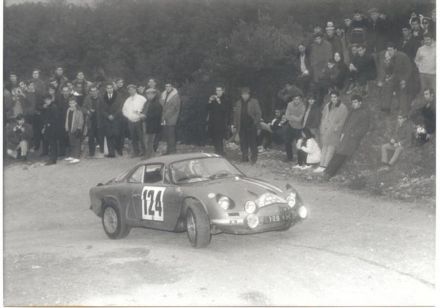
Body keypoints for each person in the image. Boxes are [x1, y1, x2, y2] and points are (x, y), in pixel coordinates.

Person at [323, 95, 370, 179]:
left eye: (355, 102)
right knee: (337, 154)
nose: (354, 104)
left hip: (352, 140)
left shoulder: (364, 113)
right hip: (345, 137)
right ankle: (327, 172)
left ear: (360, 103)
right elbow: (346, 124)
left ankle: (329, 174)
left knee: (341, 156)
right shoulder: (352, 112)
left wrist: (353, 135)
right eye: (353, 102)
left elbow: (363, 128)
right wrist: (342, 133)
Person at [314, 91, 348, 173]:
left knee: (330, 149)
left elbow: (342, 121)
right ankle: (321, 165)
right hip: (325, 130)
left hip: (334, 132)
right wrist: (322, 127)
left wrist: (336, 128)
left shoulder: (342, 107)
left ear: (338, 97)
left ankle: (325, 166)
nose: (333, 99)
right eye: (332, 97)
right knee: (324, 148)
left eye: (335, 97)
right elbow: (323, 117)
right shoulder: (327, 105)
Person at [377, 42, 413, 115]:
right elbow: (388, 70)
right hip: (394, 77)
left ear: (395, 50)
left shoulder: (403, 56)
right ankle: (387, 108)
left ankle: (404, 110)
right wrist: (387, 63)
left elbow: (409, 69)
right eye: (388, 50)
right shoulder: (388, 57)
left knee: (401, 93)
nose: (389, 52)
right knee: (388, 89)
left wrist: (404, 80)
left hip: (404, 77)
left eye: (390, 50)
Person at [232, 87, 262, 164]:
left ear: (249, 95)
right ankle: (244, 157)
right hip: (242, 126)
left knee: (252, 143)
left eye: (246, 94)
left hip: (251, 125)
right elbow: (235, 116)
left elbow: (259, 114)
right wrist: (235, 126)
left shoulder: (254, 102)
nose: (245, 96)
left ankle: (254, 158)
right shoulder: (238, 103)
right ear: (241, 95)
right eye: (243, 94)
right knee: (243, 142)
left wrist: (255, 122)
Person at [99, 82, 124, 157]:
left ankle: (119, 150)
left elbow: (120, 107)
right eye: (108, 88)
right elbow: (101, 109)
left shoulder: (118, 96)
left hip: (116, 118)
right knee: (109, 135)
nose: (109, 89)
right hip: (107, 119)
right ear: (106, 89)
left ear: (113, 88)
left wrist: (114, 115)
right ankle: (111, 153)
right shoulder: (102, 97)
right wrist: (108, 116)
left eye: (110, 88)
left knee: (117, 135)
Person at [122, 84, 147, 157]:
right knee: (133, 137)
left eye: (132, 89)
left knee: (141, 137)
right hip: (131, 121)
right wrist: (128, 116)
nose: (131, 91)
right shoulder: (127, 100)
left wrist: (141, 114)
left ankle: (144, 152)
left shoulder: (141, 98)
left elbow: (146, 107)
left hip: (139, 120)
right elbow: (124, 110)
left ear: (135, 90)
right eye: (129, 90)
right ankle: (136, 152)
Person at [207, 86, 230, 155]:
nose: (218, 92)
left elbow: (224, 110)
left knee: (220, 137)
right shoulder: (214, 99)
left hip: (221, 122)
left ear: (223, 91)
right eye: (217, 90)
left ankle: (221, 152)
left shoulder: (226, 99)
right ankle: (217, 151)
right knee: (214, 137)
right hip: (213, 122)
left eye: (219, 90)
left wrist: (219, 101)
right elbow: (208, 109)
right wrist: (210, 101)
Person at [82, 85, 104, 157]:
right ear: (90, 92)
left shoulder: (101, 98)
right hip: (91, 121)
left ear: (97, 91)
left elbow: (105, 108)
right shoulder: (87, 98)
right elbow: (83, 108)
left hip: (99, 120)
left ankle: (102, 151)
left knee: (100, 136)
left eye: (94, 91)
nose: (93, 92)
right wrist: (88, 111)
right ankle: (92, 153)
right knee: (91, 137)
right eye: (91, 91)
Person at [161, 82, 181, 154]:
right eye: (166, 86)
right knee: (167, 135)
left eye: (169, 86)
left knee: (171, 135)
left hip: (172, 118)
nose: (167, 88)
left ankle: (172, 151)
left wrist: (164, 116)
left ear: (172, 87)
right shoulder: (164, 95)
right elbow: (162, 106)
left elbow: (173, 108)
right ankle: (168, 150)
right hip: (165, 118)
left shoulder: (175, 96)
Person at [143, 88, 163, 159]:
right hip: (149, 124)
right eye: (147, 94)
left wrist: (146, 116)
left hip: (154, 125)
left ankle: (151, 156)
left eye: (149, 94)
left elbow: (157, 115)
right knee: (148, 141)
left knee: (151, 141)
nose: (148, 96)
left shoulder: (157, 103)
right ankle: (149, 155)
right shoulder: (148, 102)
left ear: (154, 94)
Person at [284, 94, 305, 162]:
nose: (296, 100)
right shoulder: (289, 104)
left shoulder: (303, 106)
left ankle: (300, 160)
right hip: (290, 126)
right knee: (287, 142)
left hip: (299, 128)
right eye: (295, 99)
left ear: (300, 99)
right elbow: (287, 116)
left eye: (298, 99)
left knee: (298, 143)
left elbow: (300, 119)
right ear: (293, 99)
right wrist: (293, 117)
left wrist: (291, 116)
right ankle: (289, 157)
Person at [41, 94, 60, 165]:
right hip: (49, 128)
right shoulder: (48, 107)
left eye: (48, 100)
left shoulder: (53, 107)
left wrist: (48, 124)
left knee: (53, 144)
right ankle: (52, 158)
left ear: (51, 99)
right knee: (51, 143)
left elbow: (55, 118)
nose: (46, 101)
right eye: (45, 100)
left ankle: (53, 159)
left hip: (53, 129)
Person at [64, 96, 84, 164]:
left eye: (73, 103)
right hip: (70, 128)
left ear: (76, 103)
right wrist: (66, 127)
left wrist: (79, 128)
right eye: (70, 103)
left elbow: (81, 121)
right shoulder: (68, 110)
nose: (71, 104)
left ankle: (77, 157)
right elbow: (67, 119)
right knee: (71, 142)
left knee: (77, 143)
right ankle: (72, 155)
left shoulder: (79, 111)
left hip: (76, 129)